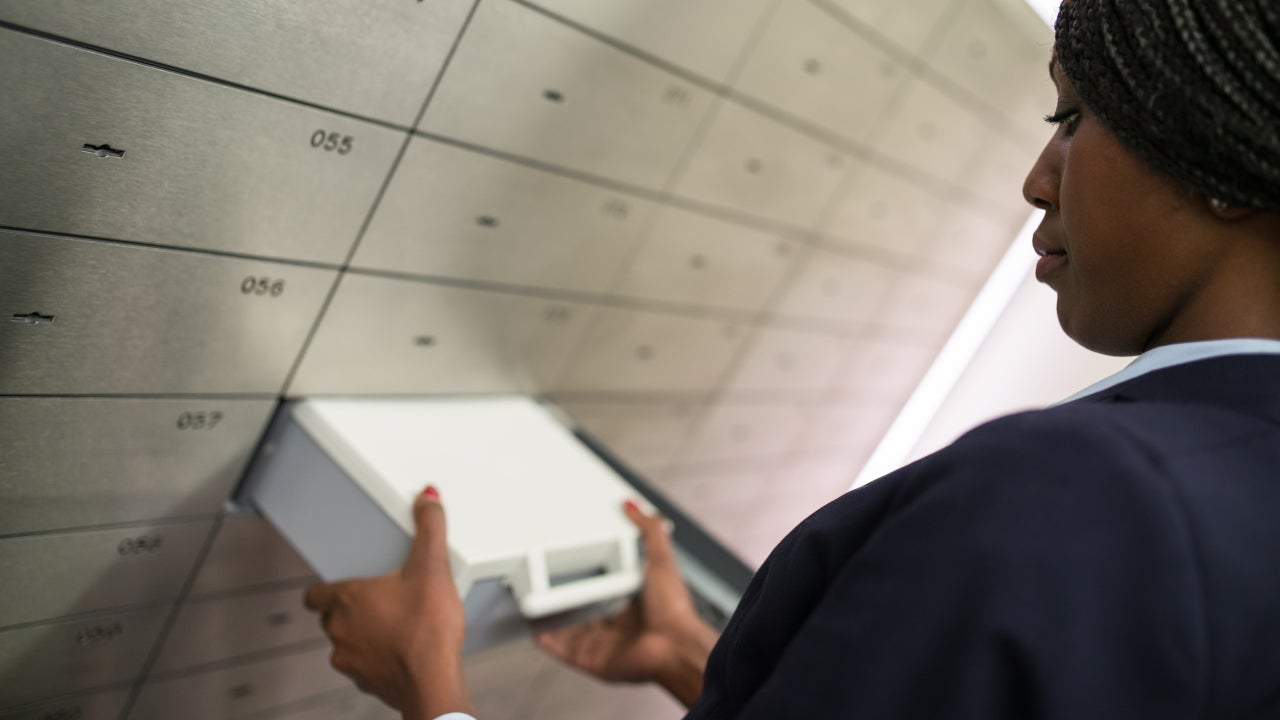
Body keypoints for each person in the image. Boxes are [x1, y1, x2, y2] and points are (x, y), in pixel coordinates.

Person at [302, 0, 1280, 717]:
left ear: (1216, 155)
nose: (1036, 181)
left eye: (1070, 120)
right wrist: (698, 659)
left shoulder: (1081, 491)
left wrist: (427, 685)